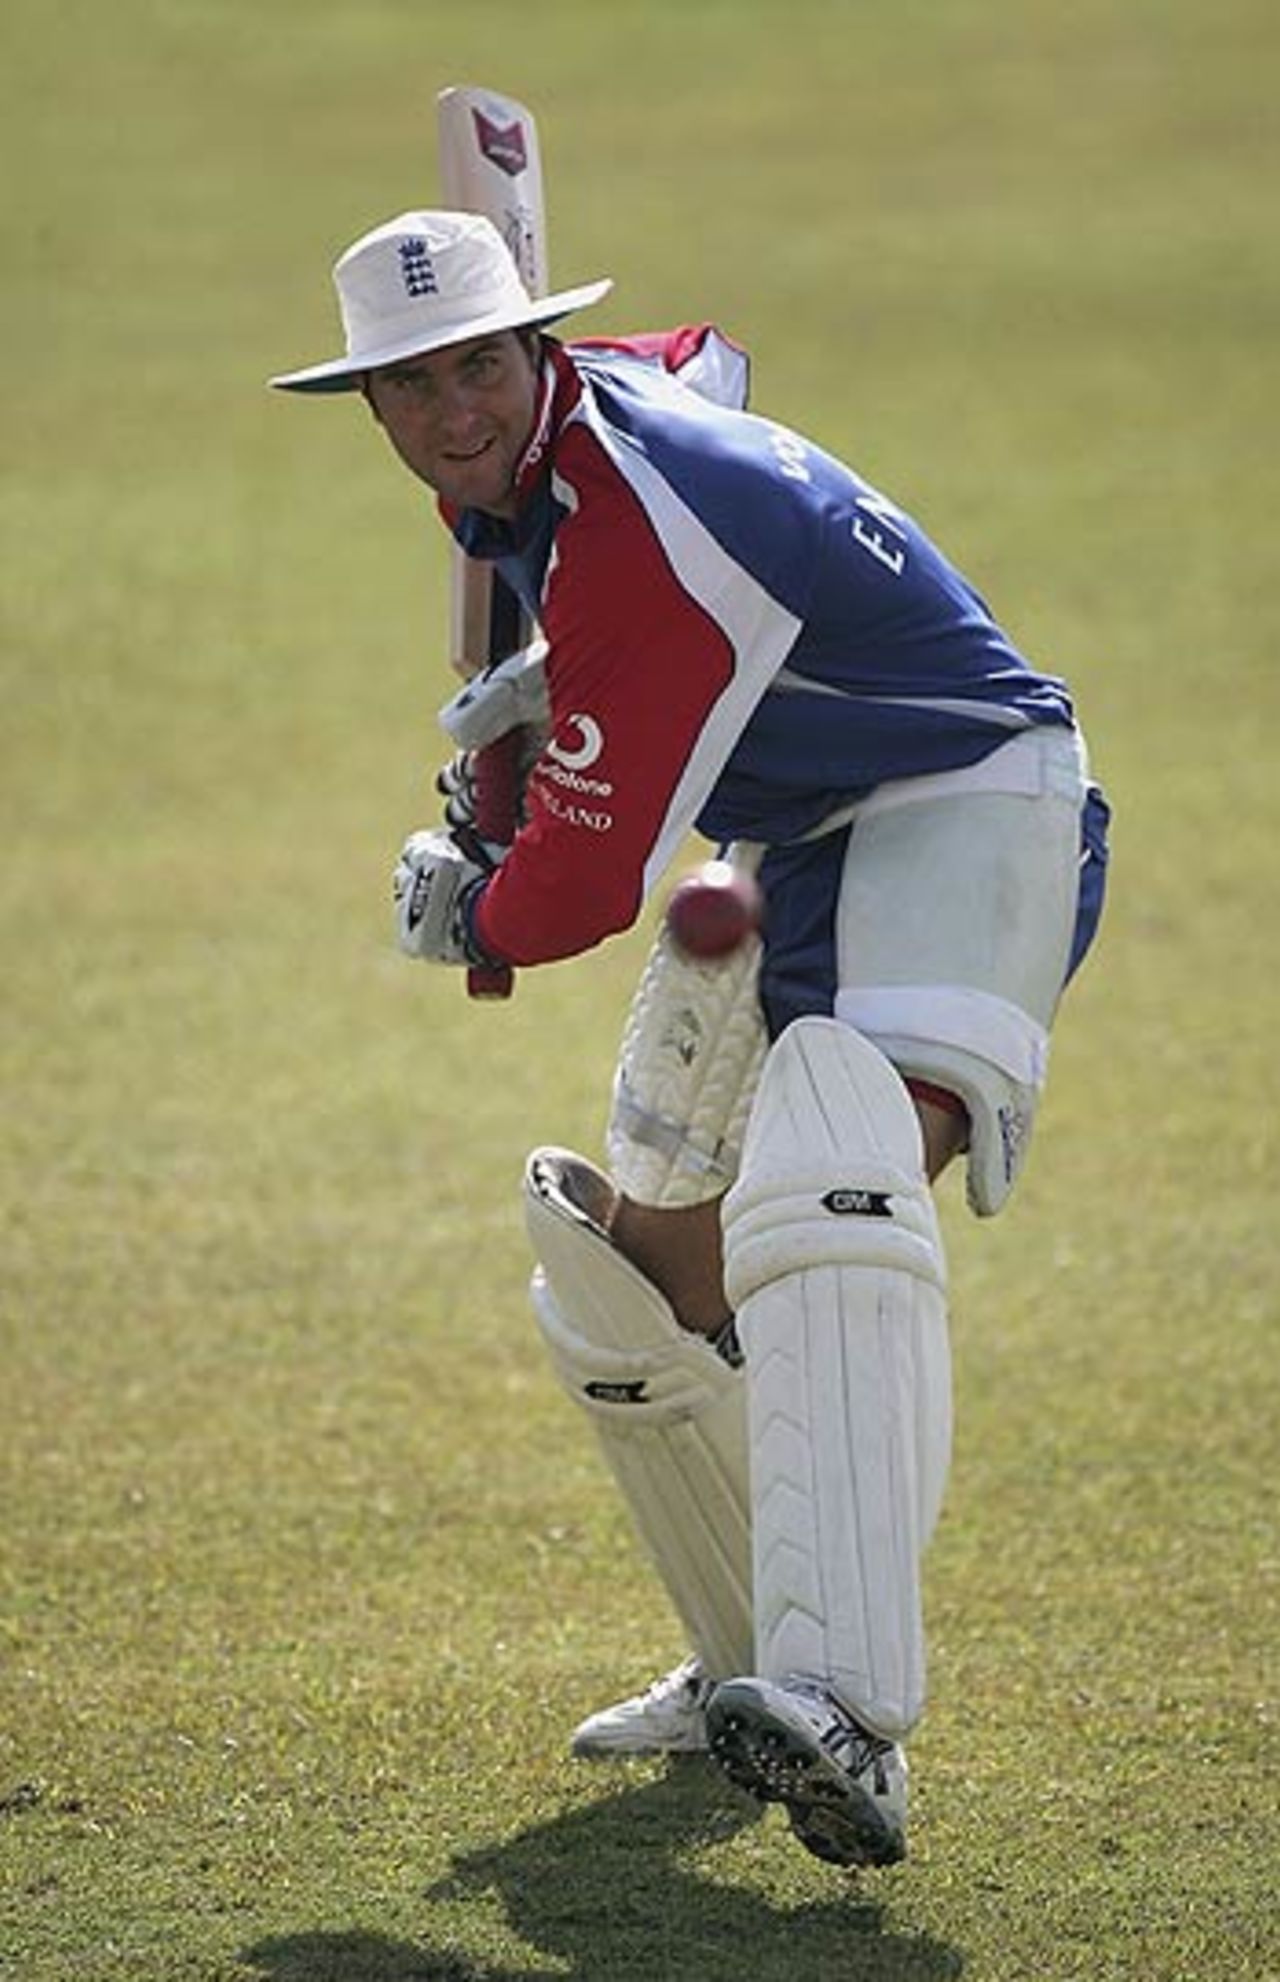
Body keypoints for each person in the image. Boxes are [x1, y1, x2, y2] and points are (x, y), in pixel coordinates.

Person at [272, 209, 1110, 1870]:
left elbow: (580, 884)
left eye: (480, 367)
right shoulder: (581, 431)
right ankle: (748, 1670)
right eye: (414, 385)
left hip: (964, 800)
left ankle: (847, 1711)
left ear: (536, 352)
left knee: (830, 1158)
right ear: (369, 407)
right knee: (641, 1272)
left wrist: (473, 893)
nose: (455, 413)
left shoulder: (633, 536)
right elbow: (702, 355)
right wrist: (532, 693)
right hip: (795, 833)